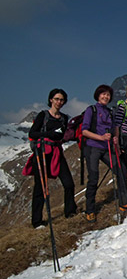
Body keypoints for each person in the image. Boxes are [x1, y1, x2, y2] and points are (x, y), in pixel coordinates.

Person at [82, 84, 127, 223]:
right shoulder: (91, 110)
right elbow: (84, 131)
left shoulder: (109, 111)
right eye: (103, 94)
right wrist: (100, 137)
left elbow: (112, 130)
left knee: (121, 169)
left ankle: (124, 203)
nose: (106, 97)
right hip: (93, 147)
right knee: (93, 177)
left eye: (108, 95)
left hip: (106, 148)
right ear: (98, 95)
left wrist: (114, 138)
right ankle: (90, 210)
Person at [28, 88, 77, 228]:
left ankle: (70, 212)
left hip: (56, 152)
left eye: (61, 100)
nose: (59, 102)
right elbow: (33, 133)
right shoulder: (42, 116)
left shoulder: (64, 118)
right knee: (40, 187)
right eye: (56, 99)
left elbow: (63, 136)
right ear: (51, 100)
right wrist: (49, 134)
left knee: (69, 183)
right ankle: (37, 221)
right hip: (42, 152)